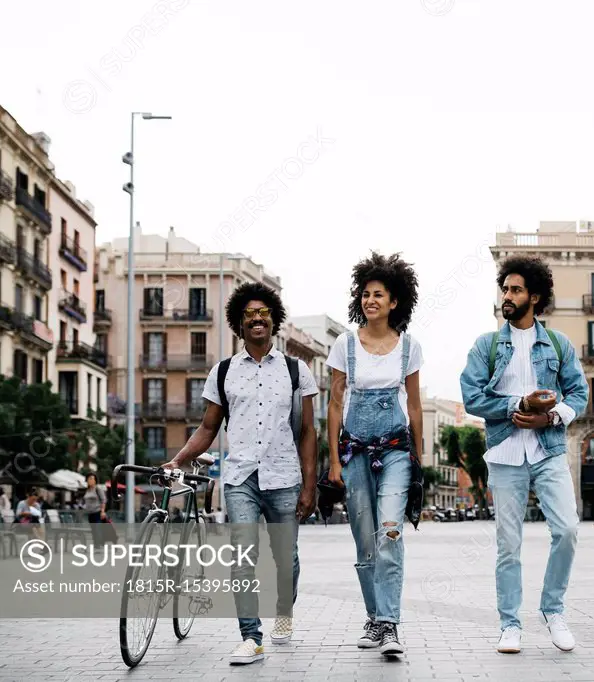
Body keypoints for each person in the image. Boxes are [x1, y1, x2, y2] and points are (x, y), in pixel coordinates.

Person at [163, 282, 319, 666]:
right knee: (241, 557)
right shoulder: (224, 372)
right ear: (239, 323)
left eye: (263, 312)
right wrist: (178, 459)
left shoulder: (297, 371)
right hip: (240, 477)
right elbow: (208, 428)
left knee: (287, 557)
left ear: (274, 319)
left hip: (284, 475)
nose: (257, 318)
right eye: (249, 314)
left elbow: (308, 432)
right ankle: (251, 637)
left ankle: (284, 608)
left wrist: (310, 484)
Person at [460, 255, 589, 655]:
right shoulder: (487, 345)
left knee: (567, 529)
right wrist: (520, 402)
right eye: (505, 289)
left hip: (548, 450)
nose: (507, 296)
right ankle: (509, 624)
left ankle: (553, 610)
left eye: (515, 290)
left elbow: (579, 395)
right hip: (504, 452)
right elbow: (472, 397)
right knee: (508, 544)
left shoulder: (557, 344)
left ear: (534, 296)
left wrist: (549, 417)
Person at [326, 252, 424, 657]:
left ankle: (390, 624)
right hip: (353, 453)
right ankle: (374, 618)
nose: (370, 301)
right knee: (365, 543)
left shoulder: (410, 348)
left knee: (390, 532)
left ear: (394, 301)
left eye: (378, 294)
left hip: (397, 451)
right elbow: (334, 404)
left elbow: (415, 406)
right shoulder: (344, 344)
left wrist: (421, 458)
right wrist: (333, 460)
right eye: (365, 294)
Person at [82, 474, 107, 544]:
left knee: (98, 529)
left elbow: (103, 500)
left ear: (95, 480)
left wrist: (102, 511)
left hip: (97, 512)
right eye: (89, 479)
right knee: (93, 530)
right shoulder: (87, 490)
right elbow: (85, 501)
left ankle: (99, 545)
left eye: (92, 479)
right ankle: (96, 544)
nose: (90, 480)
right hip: (90, 513)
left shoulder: (98, 489)